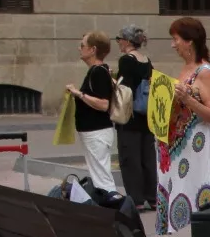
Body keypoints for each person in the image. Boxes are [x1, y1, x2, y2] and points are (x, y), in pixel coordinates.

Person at [155, 17, 210, 237]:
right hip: (183, 147)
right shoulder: (187, 68)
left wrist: (189, 101)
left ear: (189, 41)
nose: (173, 45)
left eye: (176, 39)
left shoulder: (205, 71)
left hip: (198, 147)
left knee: (198, 194)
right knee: (184, 191)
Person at [112, 25, 158, 209]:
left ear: (127, 41)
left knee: (130, 158)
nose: (118, 43)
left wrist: (112, 81)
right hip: (146, 116)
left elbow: (125, 88)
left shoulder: (126, 60)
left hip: (130, 115)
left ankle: (136, 200)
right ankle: (152, 197)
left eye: (119, 39)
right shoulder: (146, 60)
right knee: (147, 157)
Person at [67, 31, 116, 193]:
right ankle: (106, 207)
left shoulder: (98, 72)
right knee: (99, 175)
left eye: (82, 45)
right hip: (94, 131)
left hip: (97, 131)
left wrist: (78, 94)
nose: (79, 48)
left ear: (93, 49)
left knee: (102, 178)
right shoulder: (98, 71)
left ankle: (113, 207)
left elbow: (103, 104)